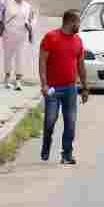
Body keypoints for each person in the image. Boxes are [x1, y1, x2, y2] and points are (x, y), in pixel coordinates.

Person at [39, 10, 88, 164]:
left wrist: (85, 87)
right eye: (78, 22)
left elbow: (81, 65)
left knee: (70, 122)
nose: (79, 25)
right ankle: (46, 145)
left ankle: (67, 154)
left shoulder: (78, 41)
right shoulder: (50, 38)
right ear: (70, 22)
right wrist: (44, 84)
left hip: (70, 88)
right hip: (53, 88)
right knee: (50, 120)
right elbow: (42, 62)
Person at [0, 0, 34, 90]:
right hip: (8, 33)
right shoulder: (6, 1)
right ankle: (7, 78)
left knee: (20, 57)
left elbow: (31, 19)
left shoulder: (27, 6)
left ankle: (18, 80)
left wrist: (30, 26)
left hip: (22, 35)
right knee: (8, 56)